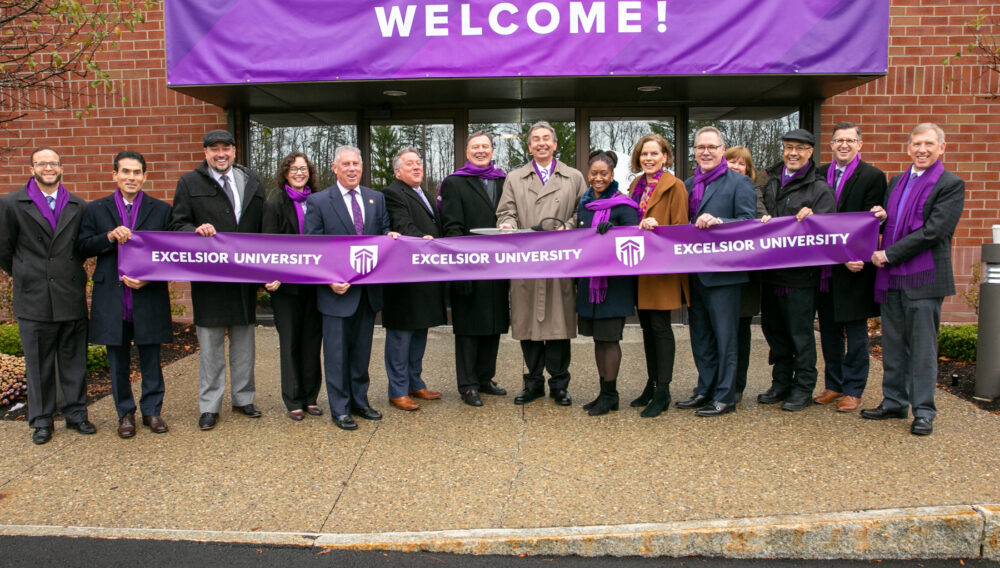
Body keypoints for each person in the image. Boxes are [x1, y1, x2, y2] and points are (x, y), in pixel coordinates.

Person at [863, 123, 965, 436]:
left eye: (929, 144)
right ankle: (894, 402)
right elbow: (897, 221)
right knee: (893, 345)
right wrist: (882, 217)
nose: (922, 149)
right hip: (893, 280)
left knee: (922, 349)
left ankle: (923, 411)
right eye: (917, 144)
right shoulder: (897, 181)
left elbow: (935, 231)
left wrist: (889, 254)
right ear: (909, 148)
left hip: (925, 278)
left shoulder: (950, 184)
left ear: (942, 148)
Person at [171, 129, 266, 430]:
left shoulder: (251, 180)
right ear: (205, 153)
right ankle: (209, 405)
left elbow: (262, 225)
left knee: (244, 341)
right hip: (209, 276)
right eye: (214, 149)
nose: (220, 154)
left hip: (244, 276)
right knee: (210, 345)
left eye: (226, 148)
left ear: (235, 151)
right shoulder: (189, 182)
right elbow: (178, 224)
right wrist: (194, 232)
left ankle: (243, 398)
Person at [76, 150, 173, 438]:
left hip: (148, 295)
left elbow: (171, 255)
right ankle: (125, 413)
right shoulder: (95, 210)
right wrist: (108, 238)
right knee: (116, 359)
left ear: (145, 176)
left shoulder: (161, 210)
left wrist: (150, 279)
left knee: (151, 357)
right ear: (114, 175)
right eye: (125, 172)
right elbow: (81, 247)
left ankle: (152, 411)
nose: (131, 177)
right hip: (112, 297)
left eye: (136, 173)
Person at [0, 147, 94, 444]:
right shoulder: (12, 203)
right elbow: (4, 250)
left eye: (53, 163)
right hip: (33, 295)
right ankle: (41, 420)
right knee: (37, 360)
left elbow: (82, 247)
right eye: (42, 163)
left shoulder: (78, 204)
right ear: (32, 169)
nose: (48, 168)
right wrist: (27, 273)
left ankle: (76, 413)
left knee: (73, 358)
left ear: (61, 167)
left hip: (69, 292)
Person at [303, 145, 399, 431]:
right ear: (334, 167)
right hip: (336, 293)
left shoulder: (376, 199)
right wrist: (329, 279)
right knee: (336, 355)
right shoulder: (319, 202)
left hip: (367, 294)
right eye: (345, 164)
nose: (352, 169)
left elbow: (382, 234)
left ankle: (360, 401)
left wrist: (390, 236)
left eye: (356, 164)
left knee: (360, 353)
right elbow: (313, 249)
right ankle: (340, 408)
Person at [497, 121, 587, 406]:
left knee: (558, 326)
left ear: (555, 144)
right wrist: (507, 225)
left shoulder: (573, 177)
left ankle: (559, 385)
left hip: (560, 262)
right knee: (528, 326)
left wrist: (569, 226)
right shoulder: (515, 177)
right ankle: (533, 383)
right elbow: (506, 211)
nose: (541, 143)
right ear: (529, 146)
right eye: (535, 139)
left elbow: (582, 212)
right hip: (526, 261)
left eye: (546, 138)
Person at [676, 127, 756, 417]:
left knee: (725, 338)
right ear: (694, 152)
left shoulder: (738, 183)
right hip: (694, 273)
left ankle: (725, 396)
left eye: (711, 147)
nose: (705, 152)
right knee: (701, 338)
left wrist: (720, 221)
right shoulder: (687, 185)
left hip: (724, 275)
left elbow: (749, 222)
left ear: (723, 150)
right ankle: (704, 389)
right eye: (700, 147)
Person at [756, 129, 836, 411]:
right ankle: (781, 383)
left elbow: (827, 232)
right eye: (789, 147)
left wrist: (815, 220)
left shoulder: (819, 189)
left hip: (801, 277)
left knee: (800, 335)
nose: (793, 153)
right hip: (770, 274)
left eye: (800, 148)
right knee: (774, 331)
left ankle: (803, 387)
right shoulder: (771, 181)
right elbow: (758, 210)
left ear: (810, 152)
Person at [814, 122, 887, 412]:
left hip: (855, 267)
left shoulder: (872, 176)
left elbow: (869, 222)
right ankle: (834, 384)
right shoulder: (819, 175)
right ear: (831, 145)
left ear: (859, 144)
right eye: (838, 140)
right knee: (828, 329)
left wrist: (851, 254)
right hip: (825, 267)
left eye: (850, 140)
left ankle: (854, 389)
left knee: (855, 334)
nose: (844, 145)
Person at [439, 131, 510, 407]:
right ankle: (467, 385)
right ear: (467, 152)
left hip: (498, 267)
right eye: (475, 147)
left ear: (492, 151)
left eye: (486, 146)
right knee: (469, 328)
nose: (481, 151)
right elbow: (451, 227)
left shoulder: (504, 180)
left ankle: (485, 378)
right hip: (468, 266)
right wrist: (464, 261)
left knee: (493, 324)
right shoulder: (455, 183)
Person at [627, 134, 689, 418]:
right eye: (644, 154)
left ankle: (663, 390)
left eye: (654, 153)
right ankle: (651, 384)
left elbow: (680, 228)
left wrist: (658, 225)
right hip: (640, 267)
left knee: (661, 329)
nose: (648, 159)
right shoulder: (635, 185)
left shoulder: (674, 186)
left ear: (665, 156)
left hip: (662, 269)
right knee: (647, 329)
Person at [381, 147, 446, 411]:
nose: (417, 167)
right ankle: (397, 390)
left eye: (418, 163)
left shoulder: (425, 193)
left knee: (420, 331)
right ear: (398, 171)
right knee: (401, 335)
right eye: (410, 165)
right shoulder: (392, 193)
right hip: (404, 278)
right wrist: (423, 240)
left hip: (425, 275)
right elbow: (402, 224)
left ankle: (414, 382)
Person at [575, 150, 639, 416]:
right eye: (594, 173)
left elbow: (634, 242)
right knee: (598, 341)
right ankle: (603, 392)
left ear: (612, 175)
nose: (598, 178)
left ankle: (611, 394)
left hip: (613, 286)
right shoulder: (585, 203)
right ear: (588, 173)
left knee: (610, 340)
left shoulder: (624, 205)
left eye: (604, 173)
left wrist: (614, 232)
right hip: (589, 283)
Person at [262, 152, 324, 421]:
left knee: (312, 341)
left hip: (315, 285)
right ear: (285, 173)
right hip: (286, 288)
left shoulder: (319, 202)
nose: (299, 173)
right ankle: (293, 399)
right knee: (290, 343)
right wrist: (270, 275)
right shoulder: (275, 204)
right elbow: (268, 244)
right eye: (294, 169)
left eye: (304, 168)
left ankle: (311, 397)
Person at [724, 145, 764, 403]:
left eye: (742, 164)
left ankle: (737, 385)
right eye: (732, 162)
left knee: (740, 330)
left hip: (744, 274)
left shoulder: (752, 192)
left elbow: (756, 221)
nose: (736, 167)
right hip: (719, 271)